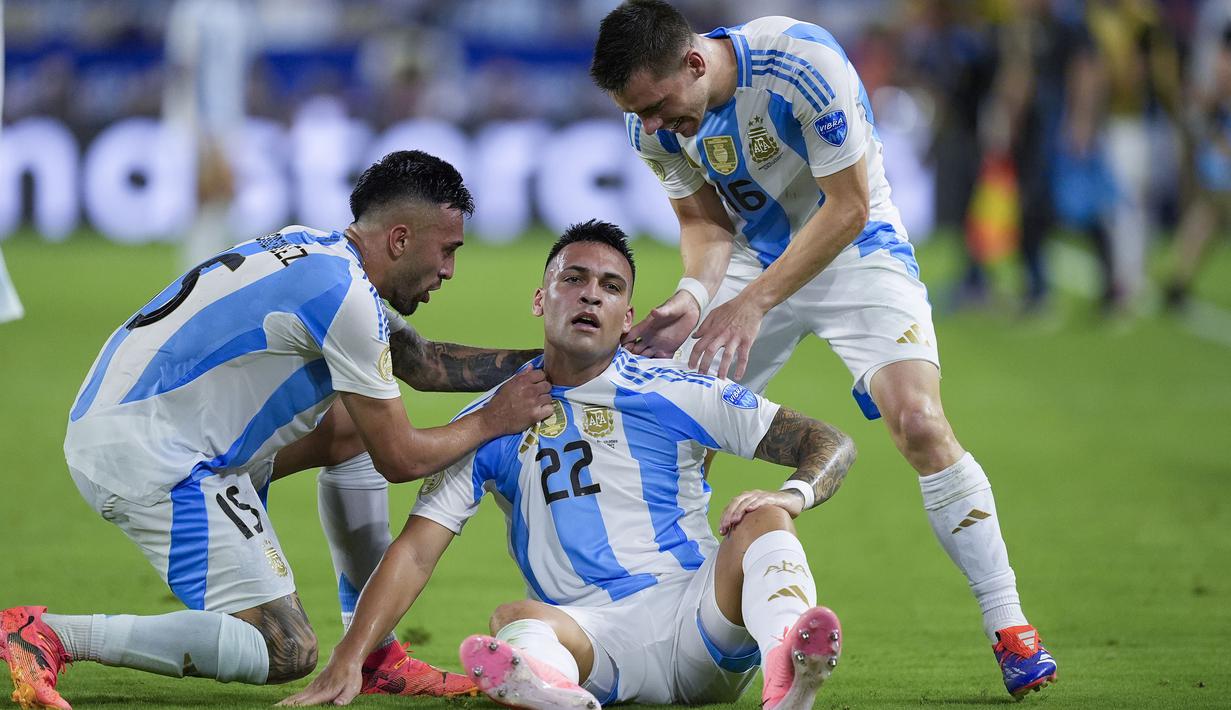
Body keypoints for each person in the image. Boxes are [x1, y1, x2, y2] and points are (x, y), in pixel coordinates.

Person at [589, 0, 1055, 698]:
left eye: (657, 106)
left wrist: (750, 304)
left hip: (854, 252)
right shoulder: (649, 124)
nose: (650, 126)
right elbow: (703, 223)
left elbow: (849, 207)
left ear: (693, 63)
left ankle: (1010, 626)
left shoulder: (799, 62)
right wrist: (691, 297)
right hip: (752, 259)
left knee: (919, 423)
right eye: (638, 113)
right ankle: (670, 614)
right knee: (675, 430)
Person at [0, 150, 553, 710]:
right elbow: (402, 459)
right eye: (448, 250)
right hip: (150, 454)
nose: (449, 271)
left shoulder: (318, 253)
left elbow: (424, 363)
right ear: (401, 239)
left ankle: (376, 656)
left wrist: (565, 362)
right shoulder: (344, 297)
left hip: (136, 424)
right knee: (285, 649)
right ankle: (50, 635)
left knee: (352, 431)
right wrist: (494, 418)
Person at [280, 220, 856, 710]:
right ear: (540, 298)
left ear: (627, 316)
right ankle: (554, 692)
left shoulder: (676, 391)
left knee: (763, 519)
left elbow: (827, 441)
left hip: (700, 618)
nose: (590, 296)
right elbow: (415, 550)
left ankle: (789, 664)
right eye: (572, 279)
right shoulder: (491, 420)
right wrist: (349, 659)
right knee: (514, 617)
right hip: (593, 640)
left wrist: (794, 495)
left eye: (609, 287)